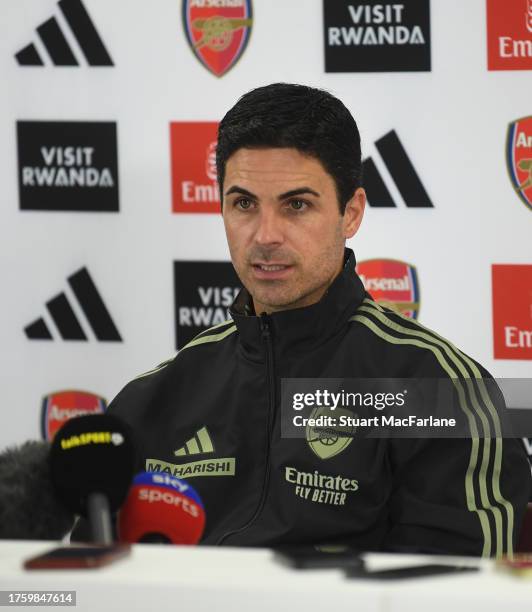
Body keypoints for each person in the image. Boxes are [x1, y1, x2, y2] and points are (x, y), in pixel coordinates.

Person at [108, 83, 530, 556]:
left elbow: (463, 597)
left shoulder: (442, 392)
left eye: (297, 205)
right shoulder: (151, 400)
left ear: (351, 213)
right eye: (244, 203)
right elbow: (98, 587)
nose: (265, 236)